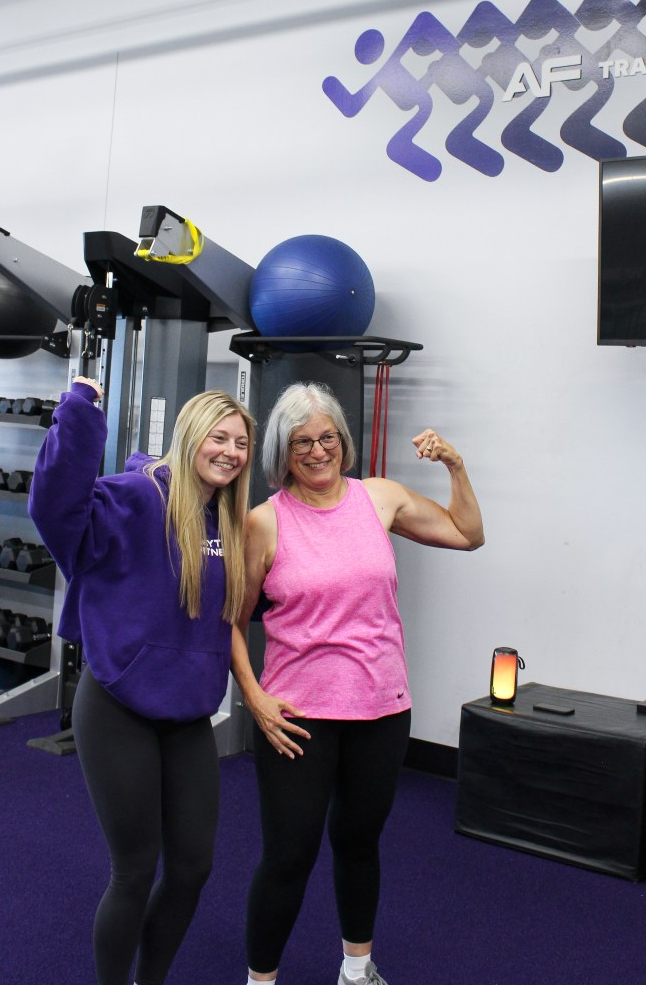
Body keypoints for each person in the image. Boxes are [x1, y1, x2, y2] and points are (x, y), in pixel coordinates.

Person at [231, 381, 484, 985]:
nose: (318, 452)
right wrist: (255, 698)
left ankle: (357, 968)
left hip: (381, 709)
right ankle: (260, 981)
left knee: (359, 841)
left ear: (343, 440)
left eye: (328, 438)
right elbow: (231, 625)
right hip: (297, 718)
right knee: (289, 857)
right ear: (282, 453)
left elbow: (467, 533)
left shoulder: (379, 498)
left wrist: (455, 465)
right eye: (301, 443)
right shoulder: (263, 523)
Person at [28, 376, 255, 985]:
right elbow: (55, 508)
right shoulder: (134, 497)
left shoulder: (228, 521)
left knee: (193, 867)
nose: (230, 452)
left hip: (187, 714)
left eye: (241, 442)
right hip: (117, 706)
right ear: (190, 436)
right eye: (219, 437)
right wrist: (79, 412)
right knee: (134, 868)